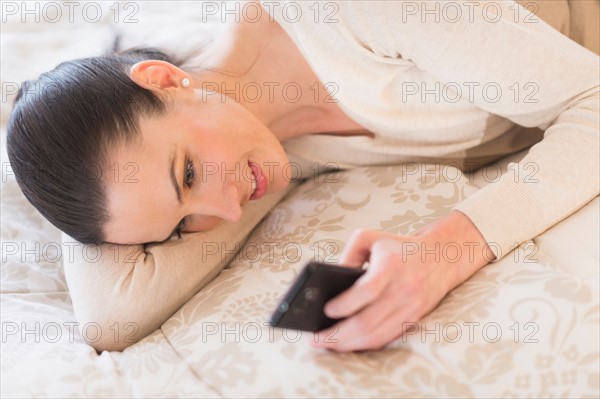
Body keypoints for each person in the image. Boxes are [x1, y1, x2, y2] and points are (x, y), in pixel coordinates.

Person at [6, 0, 599, 352]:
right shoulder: (258, 149)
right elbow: (110, 315)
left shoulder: (355, 15)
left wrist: (443, 253)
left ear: (164, 80)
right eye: (184, 227)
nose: (227, 212)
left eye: (187, 175)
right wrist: (64, 159)